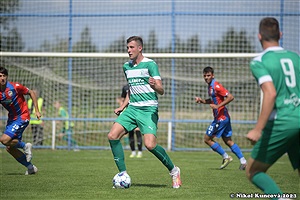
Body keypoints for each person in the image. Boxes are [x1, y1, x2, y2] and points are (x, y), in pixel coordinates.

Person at [108, 36, 181, 188]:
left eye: (132, 47)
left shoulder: (150, 64)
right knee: (112, 136)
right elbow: (131, 89)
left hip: (148, 109)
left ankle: (174, 171)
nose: (129, 50)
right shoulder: (126, 67)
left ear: (140, 48)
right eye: (127, 47)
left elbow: (161, 90)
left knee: (150, 145)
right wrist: (123, 106)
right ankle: (123, 174)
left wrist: (154, 85)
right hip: (132, 108)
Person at [246, 17, 299, 198]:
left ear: (259, 36)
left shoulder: (259, 61)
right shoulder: (295, 57)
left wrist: (258, 129)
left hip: (282, 122)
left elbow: (271, 93)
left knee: (253, 171)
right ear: (281, 35)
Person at [195, 66, 247, 170]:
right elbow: (213, 100)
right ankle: (243, 161)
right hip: (224, 117)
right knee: (228, 140)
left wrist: (218, 106)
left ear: (212, 75)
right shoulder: (210, 86)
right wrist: (202, 101)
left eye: (208, 75)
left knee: (207, 139)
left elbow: (230, 97)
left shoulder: (216, 85)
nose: (206, 77)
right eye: (205, 76)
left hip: (221, 118)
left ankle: (226, 157)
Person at [0, 66, 40, 175]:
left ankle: (24, 146)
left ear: (7, 77)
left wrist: (37, 110)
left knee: (4, 140)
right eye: (0, 76)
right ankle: (31, 167)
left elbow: (31, 92)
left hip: (22, 116)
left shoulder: (15, 87)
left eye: (4, 76)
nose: (2, 78)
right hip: (12, 119)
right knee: (9, 148)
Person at [118, 84, 143, 158]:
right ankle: (133, 152)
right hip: (129, 112)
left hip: (137, 112)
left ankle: (140, 152)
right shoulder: (125, 87)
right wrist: (121, 109)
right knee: (130, 132)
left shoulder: (139, 86)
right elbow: (122, 99)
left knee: (137, 131)